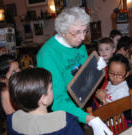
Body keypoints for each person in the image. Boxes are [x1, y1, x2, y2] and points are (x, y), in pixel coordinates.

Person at [37, 7, 112, 135]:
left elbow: (84, 75)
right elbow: (57, 101)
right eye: (76, 32)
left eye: (84, 31)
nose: (82, 37)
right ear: (63, 32)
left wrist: (96, 68)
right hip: (60, 113)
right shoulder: (48, 55)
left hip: (79, 105)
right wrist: (89, 119)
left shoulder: (79, 44)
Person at [7, 68, 84, 135]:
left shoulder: (13, 119)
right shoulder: (66, 122)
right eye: (50, 88)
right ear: (44, 99)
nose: (53, 90)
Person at [0, 54, 20, 134]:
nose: (19, 72)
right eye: (13, 71)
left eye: (18, 68)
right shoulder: (6, 93)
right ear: (1, 79)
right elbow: (15, 120)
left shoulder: (12, 88)